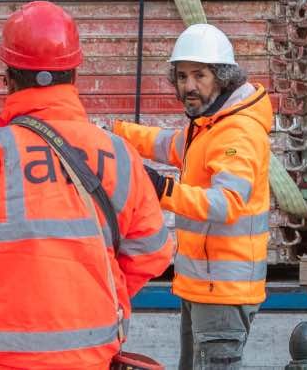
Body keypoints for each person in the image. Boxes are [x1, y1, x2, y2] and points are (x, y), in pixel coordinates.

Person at [0, 0, 173, 370]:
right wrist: (92, 295)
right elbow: (152, 251)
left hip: (1, 361)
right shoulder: (117, 154)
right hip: (91, 356)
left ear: (8, 78)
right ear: (74, 75)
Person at [112, 23, 271, 369]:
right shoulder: (210, 126)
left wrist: (162, 188)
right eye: (182, 77)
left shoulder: (237, 132)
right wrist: (116, 133)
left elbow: (225, 204)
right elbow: (168, 144)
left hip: (223, 294)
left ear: (223, 77)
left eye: (199, 75)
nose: (189, 87)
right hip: (204, 287)